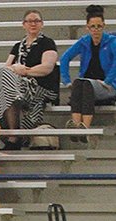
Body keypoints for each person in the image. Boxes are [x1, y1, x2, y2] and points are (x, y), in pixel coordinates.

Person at [0, 9, 59, 149]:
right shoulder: (17, 46)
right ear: (24, 24)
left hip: (40, 87)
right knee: (2, 74)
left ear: (42, 24)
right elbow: (6, 68)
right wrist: (16, 71)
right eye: (29, 21)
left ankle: (14, 137)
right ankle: (14, 133)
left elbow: (47, 67)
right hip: (19, 86)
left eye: (36, 21)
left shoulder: (47, 43)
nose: (33, 24)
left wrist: (25, 71)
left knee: (7, 88)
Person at [60, 4, 116, 140]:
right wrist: (66, 80)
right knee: (80, 83)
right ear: (87, 27)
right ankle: (77, 125)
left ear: (103, 26)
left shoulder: (112, 42)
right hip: (87, 85)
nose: (96, 30)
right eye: (93, 27)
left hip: (108, 86)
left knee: (86, 84)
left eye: (99, 26)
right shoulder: (84, 42)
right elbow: (64, 58)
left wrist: (108, 81)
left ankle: (84, 127)